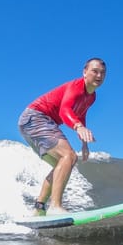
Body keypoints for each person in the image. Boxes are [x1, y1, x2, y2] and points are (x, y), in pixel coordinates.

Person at [18, 58, 106, 215]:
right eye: (95, 71)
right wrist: (78, 127)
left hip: (33, 122)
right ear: (84, 72)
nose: (99, 75)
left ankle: (39, 209)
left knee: (62, 164)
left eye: (103, 73)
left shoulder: (91, 97)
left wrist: (84, 143)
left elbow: (80, 115)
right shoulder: (76, 87)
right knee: (68, 156)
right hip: (36, 117)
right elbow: (64, 110)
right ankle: (55, 206)